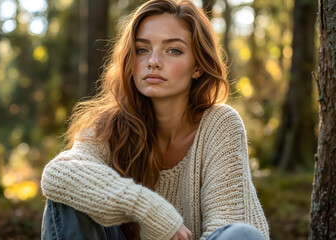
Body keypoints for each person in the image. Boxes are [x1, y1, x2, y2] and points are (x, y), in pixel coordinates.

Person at [40, 0, 270, 239]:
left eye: (173, 50)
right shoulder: (108, 127)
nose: (153, 61)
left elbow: (228, 227)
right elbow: (59, 172)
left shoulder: (220, 124)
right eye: (142, 49)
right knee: (72, 192)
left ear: (198, 67)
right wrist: (150, 209)